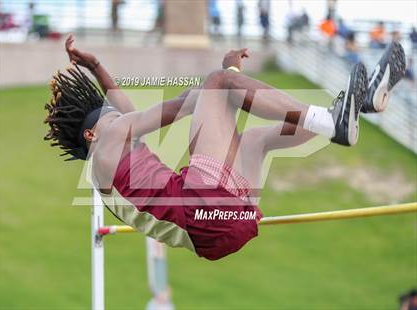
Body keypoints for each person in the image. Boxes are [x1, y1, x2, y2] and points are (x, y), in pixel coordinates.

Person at [44, 35, 405, 261]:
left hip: (224, 226)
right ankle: (334, 122)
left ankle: (342, 115)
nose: (119, 117)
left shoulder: (112, 169)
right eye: (109, 116)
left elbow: (127, 110)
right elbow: (187, 102)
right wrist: (228, 73)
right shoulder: (110, 143)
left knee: (255, 140)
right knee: (217, 82)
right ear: (91, 135)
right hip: (206, 210)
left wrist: (96, 66)